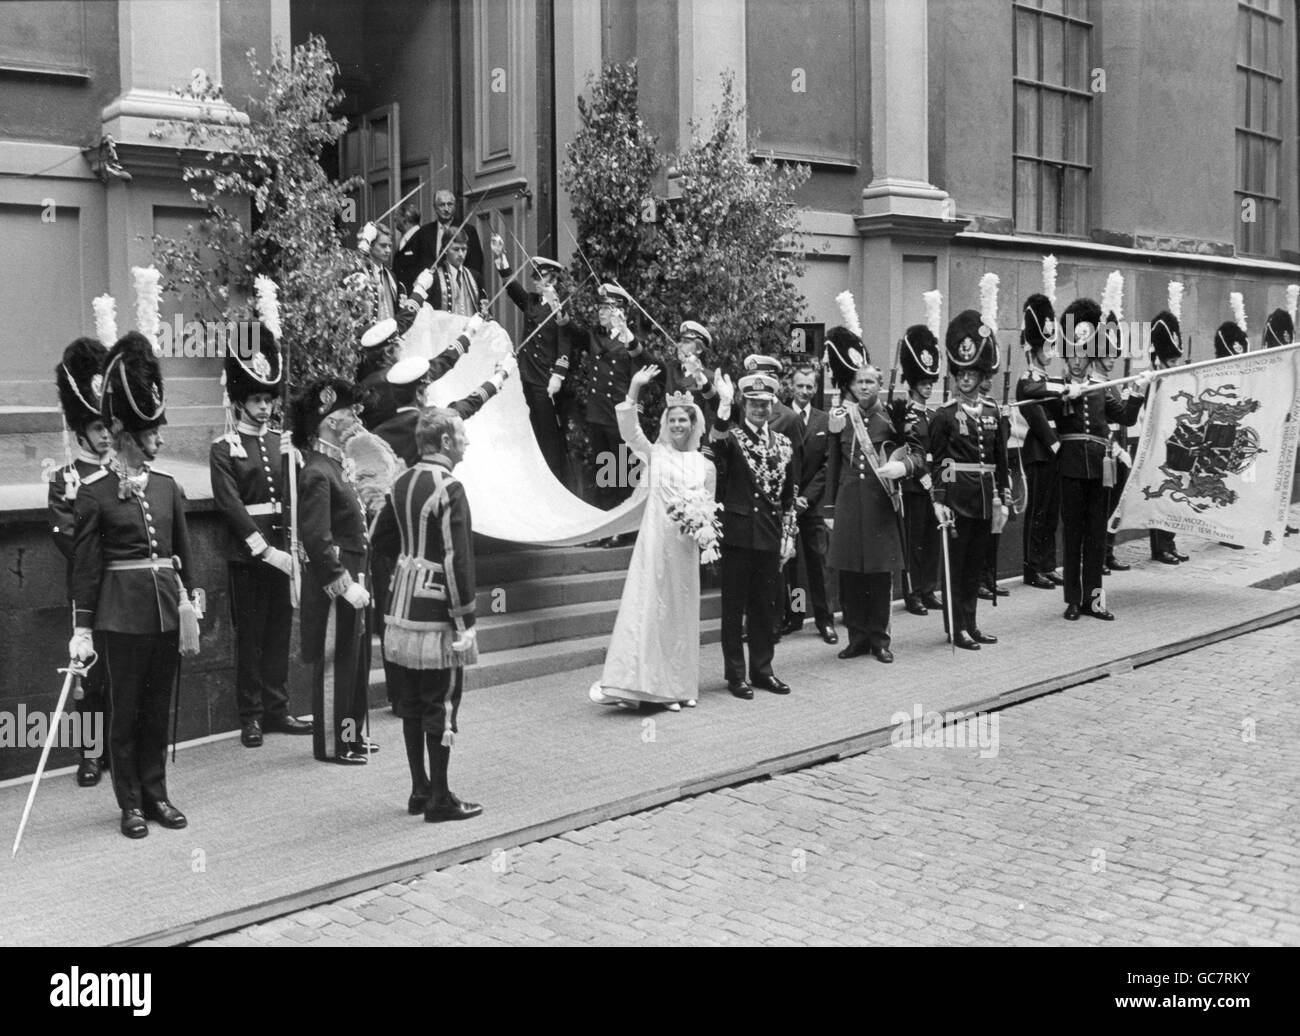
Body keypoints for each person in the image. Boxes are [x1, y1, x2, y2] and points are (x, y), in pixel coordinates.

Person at [70, 331, 196, 838]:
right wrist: (81, 629)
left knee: (156, 706)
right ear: (127, 435)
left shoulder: (167, 487)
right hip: (119, 617)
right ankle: (130, 804)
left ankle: (157, 793)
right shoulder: (95, 493)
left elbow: (181, 556)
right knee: (124, 713)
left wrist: (191, 601)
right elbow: (85, 567)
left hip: (166, 610)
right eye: (150, 434)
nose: (159, 440)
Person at [372, 408, 484, 822]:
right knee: (443, 704)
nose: (466, 443)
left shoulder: (400, 481)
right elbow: (458, 560)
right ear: (444, 443)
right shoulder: (450, 487)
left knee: (413, 702)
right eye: (461, 437)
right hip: (438, 610)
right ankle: (440, 798)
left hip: (401, 609)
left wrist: (410, 562)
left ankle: (419, 790)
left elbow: (378, 538)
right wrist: (466, 620)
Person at [209, 321, 312, 749]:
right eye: (257, 399)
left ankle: (276, 708)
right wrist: (266, 551)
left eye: (269, 399)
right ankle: (250, 715)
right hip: (249, 556)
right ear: (240, 402)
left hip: (284, 552)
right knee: (249, 639)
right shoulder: (224, 448)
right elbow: (231, 507)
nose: (266, 407)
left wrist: (294, 545)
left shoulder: (281, 444)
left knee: (277, 635)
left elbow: (294, 497)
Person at [588, 367, 715, 709]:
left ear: (693, 425)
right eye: (671, 420)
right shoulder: (655, 454)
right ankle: (651, 687)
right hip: (656, 543)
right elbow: (629, 432)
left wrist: (704, 532)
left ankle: (681, 687)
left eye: (682, 421)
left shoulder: (705, 465)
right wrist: (634, 388)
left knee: (681, 612)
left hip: (685, 548)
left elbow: (710, 507)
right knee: (651, 611)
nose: (677, 426)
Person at [1048, 299, 1147, 621]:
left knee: (1095, 535)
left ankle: (1094, 600)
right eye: (1072, 355)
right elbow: (1031, 391)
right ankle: (1073, 601)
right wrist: (1066, 393)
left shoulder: (1102, 388)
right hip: (1072, 468)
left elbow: (1128, 419)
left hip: (1100, 469)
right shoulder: (1056, 387)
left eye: (1083, 355)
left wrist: (1138, 390)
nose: (1077, 362)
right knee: (1074, 537)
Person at [292, 379, 374, 765]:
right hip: (335, 580)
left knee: (354, 660)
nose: (354, 418)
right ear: (328, 419)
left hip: (355, 569)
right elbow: (317, 538)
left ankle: (352, 734)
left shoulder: (335, 466)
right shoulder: (317, 472)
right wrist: (342, 585)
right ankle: (333, 743)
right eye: (347, 412)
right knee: (336, 661)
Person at [824, 360, 920, 664]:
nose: (864, 387)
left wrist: (902, 467)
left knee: (879, 575)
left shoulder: (892, 416)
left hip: (880, 503)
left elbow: (916, 453)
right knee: (851, 574)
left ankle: (879, 639)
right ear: (851, 386)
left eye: (869, 382)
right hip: (850, 502)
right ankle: (857, 637)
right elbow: (834, 464)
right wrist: (829, 507)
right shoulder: (841, 417)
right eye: (858, 382)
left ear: (879, 385)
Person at [928, 310, 1011, 650]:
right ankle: (955, 627)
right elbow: (940, 460)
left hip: (985, 499)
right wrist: (941, 499)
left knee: (976, 566)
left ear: (980, 375)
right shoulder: (945, 415)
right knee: (957, 566)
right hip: (958, 499)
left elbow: (1000, 460)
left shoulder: (993, 412)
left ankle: (972, 624)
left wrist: (1003, 497)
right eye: (960, 373)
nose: (965, 378)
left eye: (971, 373)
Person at [51, 336, 113, 786]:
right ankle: (90, 755)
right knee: (87, 677)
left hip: (125, 590)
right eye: (96, 428)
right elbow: (66, 534)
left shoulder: (124, 474)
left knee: (123, 673)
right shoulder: (65, 478)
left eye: (108, 426)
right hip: (89, 589)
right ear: (80, 433)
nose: (105, 434)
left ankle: (120, 748)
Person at [711, 369, 797, 697]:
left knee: (765, 607)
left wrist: (789, 535)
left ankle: (762, 670)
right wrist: (723, 406)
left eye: (765, 404)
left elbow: (789, 494)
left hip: (769, 535)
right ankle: (735, 675)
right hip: (737, 535)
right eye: (753, 403)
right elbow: (715, 450)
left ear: (772, 405)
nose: (759, 409)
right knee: (734, 609)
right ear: (744, 404)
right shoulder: (732, 438)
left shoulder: (784, 444)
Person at [489, 235, 576, 484]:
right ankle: (536, 479)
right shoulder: (531, 301)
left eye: (540, 277)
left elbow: (565, 342)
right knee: (531, 430)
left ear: (553, 279)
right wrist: (499, 256)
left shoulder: (560, 308)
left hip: (545, 380)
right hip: (526, 375)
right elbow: (510, 286)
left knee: (549, 435)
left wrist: (558, 375)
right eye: (535, 277)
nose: (536, 281)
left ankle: (556, 480)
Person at [889, 323, 944, 618]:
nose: (927, 385)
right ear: (912, 382)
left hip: (933, 484)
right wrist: (922, 476)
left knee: (931, 539)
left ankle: (927, 589)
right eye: (922, 381)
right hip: (912, 486)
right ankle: (911, 593)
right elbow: (906, 450)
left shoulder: (933, 414)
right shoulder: (904, 414)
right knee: (913, 542)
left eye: (929, 381)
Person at [782, 364, 838, 643]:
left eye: (809, 386)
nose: (804, 391)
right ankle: (794, 615)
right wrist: (790, 499)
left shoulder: (824, 420)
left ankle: (824, 620)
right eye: (799, 385)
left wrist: (807, 497)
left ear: (816, 389)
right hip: (786, 504)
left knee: (818, 562)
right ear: (791, 386)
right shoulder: (779, 416)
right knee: (790, 564)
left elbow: (828, 466)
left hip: (811, 505)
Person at [1016, 291, 1065, 589]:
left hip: (1055, 452)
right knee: (1037, 511)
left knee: (1050, 512)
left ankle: (1047, 564)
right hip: (1038, 450)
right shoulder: (1028, 380)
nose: (1051, 351)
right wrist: (1056, 444)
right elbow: (1037, 418)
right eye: (1048, 345)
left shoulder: (1047, 379)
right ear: (1036, 347)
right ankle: (1033, 568)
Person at [584, 284, 646, 513]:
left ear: (620, 311)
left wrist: (635, 411)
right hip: (597, 410)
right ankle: (603, 521)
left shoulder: (630, 341)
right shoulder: (594, 334)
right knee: (601, 467)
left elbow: (640, 374)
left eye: (607, 308)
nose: (601, 312)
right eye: (600, 307)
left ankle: (620, 524)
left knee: (620, 469)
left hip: (619, 412)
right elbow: (568, 328)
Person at [1142, 288, 1191, 563]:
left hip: (1174, 443)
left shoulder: (1172, 378)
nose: (1174, 365)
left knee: (1175, 492)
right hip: (1156, 444)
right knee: (1161, 495)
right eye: (1170, 361)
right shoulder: (1151, 380)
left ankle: (1169, 542)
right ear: (1159, 358)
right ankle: (1159, 547)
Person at [414, 229, 487, 317]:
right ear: (445, 250)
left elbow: (485, 311)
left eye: (464, 249)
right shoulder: (434, 278)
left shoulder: (475, 277)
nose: (461, 254)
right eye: (456, 249)